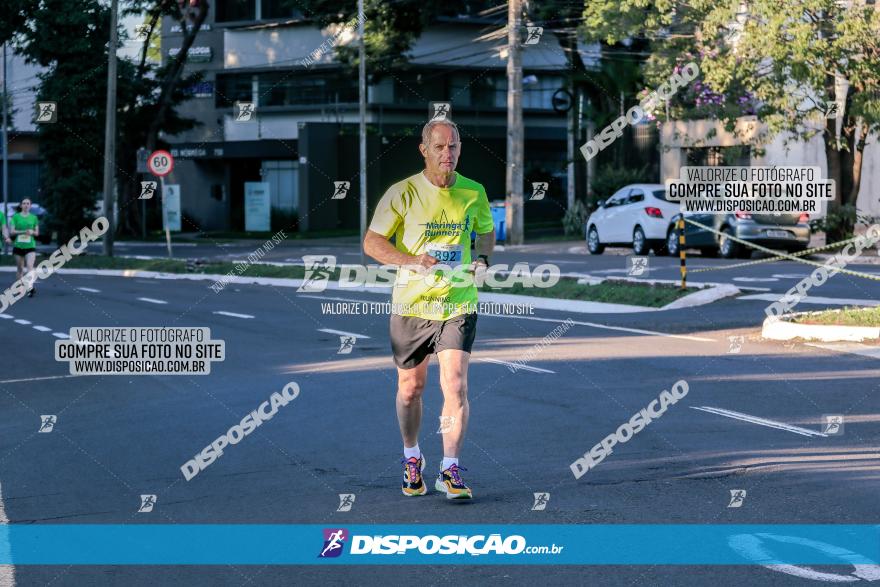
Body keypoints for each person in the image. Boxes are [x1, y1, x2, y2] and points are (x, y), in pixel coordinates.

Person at [363, 118, 496, 499]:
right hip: (412, 305)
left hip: (458, 301)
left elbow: (485, 231)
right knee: (411, 389)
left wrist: (483, 260)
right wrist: (410, 260)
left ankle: (450, 468)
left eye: (453, 146)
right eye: (439, 147)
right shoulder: (401, 193)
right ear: (424, 150)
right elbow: (372, 243)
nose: (447, 153)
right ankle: (411, 456)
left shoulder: (474, 192)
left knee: (455, 384)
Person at [8, 199, 39, 297]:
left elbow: (37, 233)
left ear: (30, 206)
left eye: (28, 203)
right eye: (24, 203)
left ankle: (30, 288)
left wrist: (32, 232)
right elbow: (12, 231)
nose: (26, 205)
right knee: (20, 268)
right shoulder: (15, 217)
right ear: (21, 205)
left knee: (30, 266)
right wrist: (23, 232)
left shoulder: (34, 218)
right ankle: (19, 288)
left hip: (30, 246)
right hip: (18, 246)